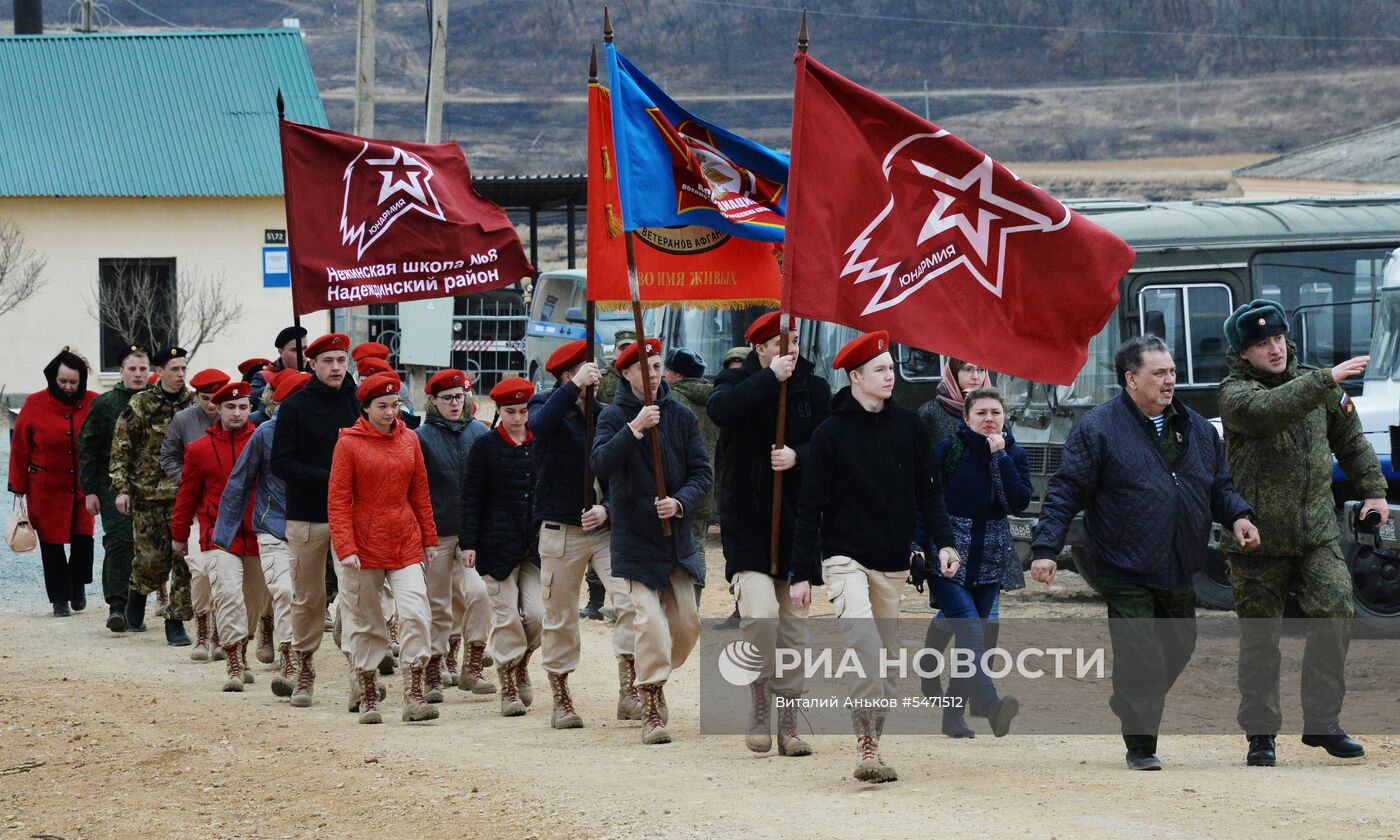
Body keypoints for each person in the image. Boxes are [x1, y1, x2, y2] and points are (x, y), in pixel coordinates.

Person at [1031, 334, 1258, 771]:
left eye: (1172, 372)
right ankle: (1141, 744)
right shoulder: (1098, 429)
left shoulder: (1197, 428)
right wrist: (1045, 547)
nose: (1169, 380)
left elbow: (1218, 487)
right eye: (1159, 373)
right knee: (1140, 653)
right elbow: (1065, 491)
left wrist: (1238, 517)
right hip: (1122, 563)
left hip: (1178, 562)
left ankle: (1130, 699)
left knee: (1180, 646)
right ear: (1131, 379)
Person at [1217, 300, 1390, 766]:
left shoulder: (1320, 385)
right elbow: (1272, 410)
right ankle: (1261, 734)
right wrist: (1326, 380)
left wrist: (1374, 491)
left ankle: (1322, 723)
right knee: (1261, 641)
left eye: (1276, 339)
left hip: (1315, 534)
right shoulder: (1236, 394)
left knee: (1336, 612)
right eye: (1260, 344)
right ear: (1243, 353)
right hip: (1256, 542)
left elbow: (1351, 441)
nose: (1273, 350)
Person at [790, 330, 959, 784]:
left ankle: (874, 739)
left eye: (891, 368)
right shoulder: (830, 433)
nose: (891, 376)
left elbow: (930, 492)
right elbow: (810, 507)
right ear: (856, 377)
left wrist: (944, 542)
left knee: (882, 662)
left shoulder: (910, 427)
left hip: (894, 563)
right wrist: (800, 572)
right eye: (881, 370)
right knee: (864, 646)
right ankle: (866, 746)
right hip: (844, 558)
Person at [707, 312, 831, 757]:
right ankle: (760, 702)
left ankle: (789, 723)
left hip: (797, 526)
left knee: (794, 633)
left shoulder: (814, 389)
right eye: (781, 344)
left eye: (795, 342)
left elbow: (830, 444)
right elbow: (721, 411)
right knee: (761, 617)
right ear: (760, 349)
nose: (791, 350)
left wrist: (799, 455)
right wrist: (767, 380)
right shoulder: (735, 384)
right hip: (749, 526)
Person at [592, 338, 712, 745]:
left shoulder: (681, 415)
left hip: (675, 540)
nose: (654, 373)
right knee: (650, 625)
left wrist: (679, 503)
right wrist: (635, 429)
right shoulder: (613, 416)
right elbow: (601, 464)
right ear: (626, 373)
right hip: (635, 539)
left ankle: (654, 671)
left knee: (687, 625)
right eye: (645, 367)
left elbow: (702, 473)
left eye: (658, 365)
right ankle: (652, 698)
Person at [530, 340, 641, 727]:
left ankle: (629, 690)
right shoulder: (546, 406)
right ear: (566, 375)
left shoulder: (606, 414)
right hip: (561, 528)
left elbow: (620, 468)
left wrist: (607, 508)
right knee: (560, 615)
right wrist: (572, 388)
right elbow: (539, 427)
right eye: (583, 371)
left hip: (606, 527)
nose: (594, 377)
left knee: (630, 603)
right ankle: (561, 697)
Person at [328, 372, 440, 724]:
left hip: (405, 540)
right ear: (365, 408)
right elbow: (337, 500)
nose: (392, 412)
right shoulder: (348, 444)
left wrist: (429, 539)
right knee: (366, 621)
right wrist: (346, 548)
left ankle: (414, 693)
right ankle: (369, 692)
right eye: (383, 406)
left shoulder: (410, 441)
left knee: (416, 613)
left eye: (395, 405)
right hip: (362, 545)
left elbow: (420, 493)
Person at [925, 387, 1030, 738]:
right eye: (981, 413)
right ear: (966, 418)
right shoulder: (949, 450)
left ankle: (952, 716)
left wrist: (999, 457)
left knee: (975, 636)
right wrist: (922, 546)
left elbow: (1015, 502)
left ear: (1005, 417)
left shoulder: (1014, 453)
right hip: (949, 554)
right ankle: (984, 700)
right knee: (970, 630)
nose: (989, 419)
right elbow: (926, 498)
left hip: (990, 558)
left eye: (995, 413)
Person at [270, 333, 359, 707]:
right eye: (328, 361)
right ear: (312, 364)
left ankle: (360, 674)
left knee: (356, 595)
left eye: (341, 360)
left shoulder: (359, 404)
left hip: (351, 517)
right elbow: (281, 463)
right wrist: (330, 477)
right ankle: (304, 669)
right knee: (306, 597)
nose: (336, 367)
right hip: (307, 515)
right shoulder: (294, 408)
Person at [214, 370, 310, 699]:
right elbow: (239, 482)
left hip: (312, 527)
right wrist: (223, 535)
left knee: (308, 599)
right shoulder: (265, 434)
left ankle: (305, 654)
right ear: (280, 401)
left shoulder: (324, 433)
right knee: (285, 591)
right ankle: (289, 660)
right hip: (272, 528)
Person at [171, 381, 268, 692]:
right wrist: (180, 533)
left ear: (250, 409)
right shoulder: (198, 449)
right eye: (230, 407)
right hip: (218, 536)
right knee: (227, 594)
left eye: (242, 407)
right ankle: (233, 661)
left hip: (256, 534)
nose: (237, 413)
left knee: (253, 601)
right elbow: (187, 495)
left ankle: (243, 646)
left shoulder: (263, 441)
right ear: (219, 410)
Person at [462, 377, 542, 717]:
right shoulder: (485, 446)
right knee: (506, 615)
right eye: (511, 411)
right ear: (499, 410)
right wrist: (469, 543)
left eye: (524, 411)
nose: (519, 418)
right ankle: (508, 682)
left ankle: (522, 659)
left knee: (538, 615)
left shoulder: (542, 442)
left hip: (537, 546)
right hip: (495, 546)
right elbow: (471, 497)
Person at [415, 368, 496, 701]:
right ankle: (433, 668)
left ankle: (472, 663)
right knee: (437, 602)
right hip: (436, 532)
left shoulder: (480, 433)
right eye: (446, 398)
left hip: (473, 533)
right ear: (432, 400)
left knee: (480, 594)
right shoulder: (420, 437)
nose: (453, 403)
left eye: (459, 397)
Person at [111, 346, 196, 644]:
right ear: (159, 372)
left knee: (184, 559)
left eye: (184, 368)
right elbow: (122, 447)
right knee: (152, 561)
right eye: (175, 369)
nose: (181, 374)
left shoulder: (194, 403)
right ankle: (137, 592)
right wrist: (121, 489)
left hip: (185, 494)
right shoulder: (141, 404)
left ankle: (176, 622)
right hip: (147, 495)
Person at [9, 348, 97, 617]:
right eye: (63, 382)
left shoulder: (94, 402)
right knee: (52, 544)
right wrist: (18, 487)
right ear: (52, 378)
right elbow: (20, 448)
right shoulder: (35, 404)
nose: (69, 387)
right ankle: (59, 598)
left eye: (74, 382)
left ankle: (78, 585)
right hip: (45, 487)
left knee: (84, 539)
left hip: (84, 486)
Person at [159, 367, 233, 662]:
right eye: (205, 398)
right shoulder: (184, 419)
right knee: (200, 569)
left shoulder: (237, 418)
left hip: (229, 507)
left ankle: (218, 633)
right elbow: (168, 455)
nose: (212, 405)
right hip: (196, 508)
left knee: (225, 575)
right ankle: (201, 628)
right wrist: (187, 477)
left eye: (217, 398)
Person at [78, 345, 149, 631]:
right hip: (112, 486)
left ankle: (136, 606)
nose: (138, 374)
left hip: (151, 488)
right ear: (120, 372)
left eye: (143, 368)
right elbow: (88, 448)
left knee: (147, 547)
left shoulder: (158, 403)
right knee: (120, 542)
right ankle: (116, 606)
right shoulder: (106, 404)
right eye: (132, 369)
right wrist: (90, 490)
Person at [664, 347, 717, 603]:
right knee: (697, 542)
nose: (662, 375)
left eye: (666, 370)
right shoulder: (715, 401)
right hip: (707, 484)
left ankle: (682, 604)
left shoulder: (672, 400)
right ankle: (694, 599)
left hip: (677, 488)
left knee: (675, 546)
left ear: (677, 375)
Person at [712, 345, 753, 631]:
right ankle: (740, 605)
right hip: (731, 489)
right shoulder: (722, 400)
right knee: (735, 551)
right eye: (732, 369)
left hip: (755, 488)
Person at [916, 358, 989, 445]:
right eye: (968, 369)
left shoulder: (995, 410)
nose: (976, 377)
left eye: (981, 370)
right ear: (953, 372)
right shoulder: (929, 412)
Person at [250, 325, 308, 404]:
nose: (302, 355)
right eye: (295, 350)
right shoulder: (265, 376)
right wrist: (278, 383)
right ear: (281, 352)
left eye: (305, 348)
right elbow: (251, 398)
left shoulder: (316, 372)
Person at [594, 329, 635, 404]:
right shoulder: (600, 379)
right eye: (622, 349)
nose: (626, 353)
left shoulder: (644, 378)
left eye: (630, 348)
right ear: (614, 353)